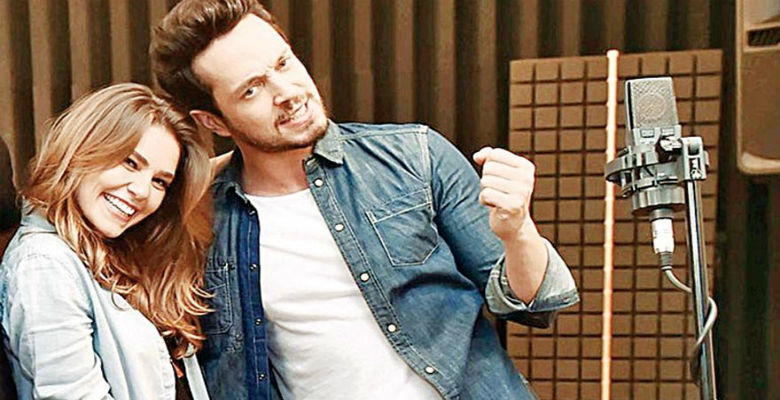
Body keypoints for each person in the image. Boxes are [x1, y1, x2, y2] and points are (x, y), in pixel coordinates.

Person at [150, 1, 579, 399]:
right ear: (214, 121)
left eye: (283, 63)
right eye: (251, 90)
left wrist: (518, 231)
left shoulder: (416, 156)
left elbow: (535, 307)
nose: (287, 92)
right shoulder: (200, 218)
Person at [0, 83, 213, 400]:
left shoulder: (115, 249)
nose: (141, 191)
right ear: (82, 150)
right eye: (130, 162)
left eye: (160, 181)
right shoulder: (45, 264)